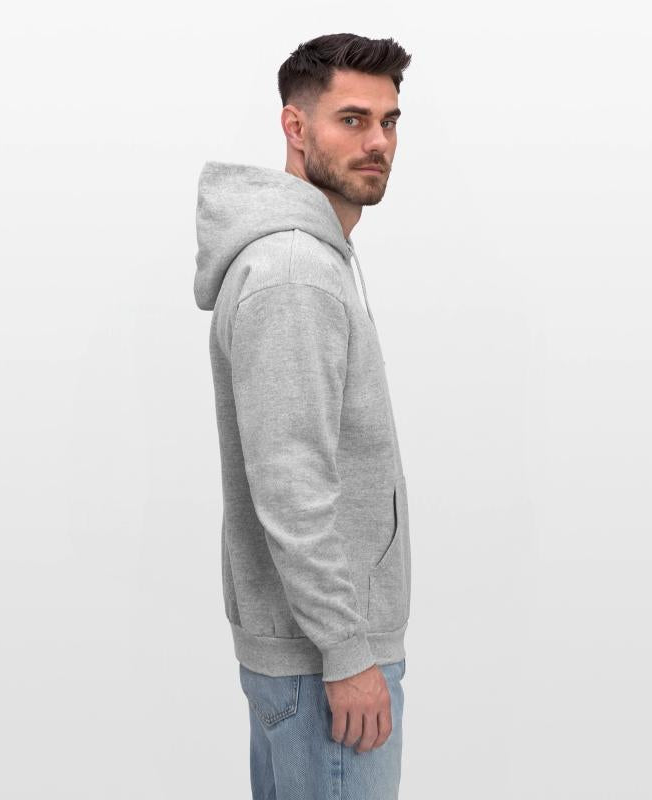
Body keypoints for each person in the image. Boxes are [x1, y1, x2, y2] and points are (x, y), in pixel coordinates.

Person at [194, 32, 413, 799]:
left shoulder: (307, 260)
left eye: (388, 121)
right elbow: (292, 487)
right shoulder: (295, 273)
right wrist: (347, 653)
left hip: (307, 654)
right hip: (325, 663)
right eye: (352, 119)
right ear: (295, 126)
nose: (377, 141)